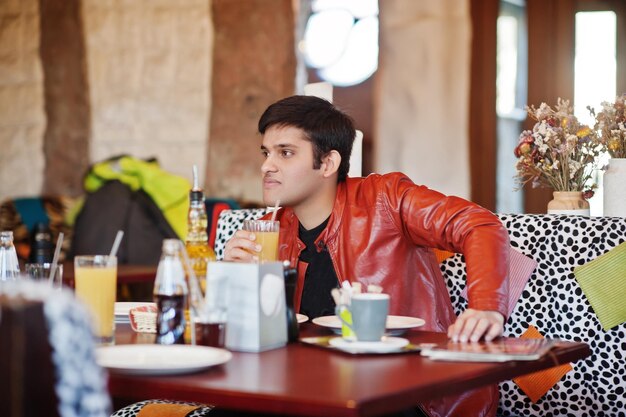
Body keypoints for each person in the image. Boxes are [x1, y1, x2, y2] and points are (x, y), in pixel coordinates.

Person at [224, 95, 510, 417]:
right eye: (265, 153)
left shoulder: (385, 200)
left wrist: (487, 307)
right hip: (307, 390)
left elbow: (480, 225)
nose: (266, 166)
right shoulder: (268, 230)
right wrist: (233, 281)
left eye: (285, 153)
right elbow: (256, 343)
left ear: (328, 164)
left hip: (407, 391)